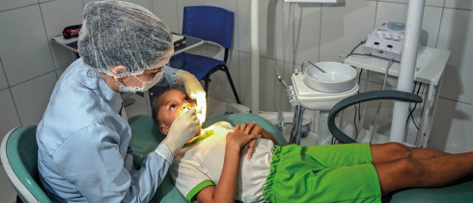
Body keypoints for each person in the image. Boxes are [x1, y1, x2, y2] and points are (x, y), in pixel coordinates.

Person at [153, 88, 473, 203]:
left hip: (291, 155)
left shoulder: (220, 125)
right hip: (285, 188)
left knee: (394, 150)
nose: (183, 105)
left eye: (184, 99)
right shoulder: (181, 163)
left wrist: (256, 135)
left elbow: (270, 143)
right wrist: (235, 147)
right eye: (172, 106)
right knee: (404, 169)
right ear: (165, 128)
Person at [37, 0, 207, 203]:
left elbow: (140, 67)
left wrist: (182, 76)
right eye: (155, 72)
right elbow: (127, 200)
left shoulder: (92, 64)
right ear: (119, 71)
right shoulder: (87, 132)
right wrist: (171, 145)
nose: (159, 74)